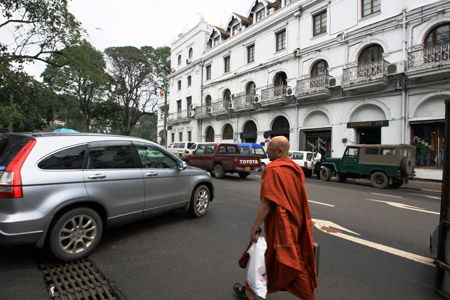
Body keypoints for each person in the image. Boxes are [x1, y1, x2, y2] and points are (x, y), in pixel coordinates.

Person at [234, 136, 318, 300]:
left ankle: (308, 296)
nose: (267, 152)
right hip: (297, 221)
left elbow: (267, 203)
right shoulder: (296, 169)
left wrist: (254, 228)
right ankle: (250, 290)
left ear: (280, 151)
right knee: (272, 257)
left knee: (290, 260)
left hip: (282, 225)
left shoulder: (272, 169)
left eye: (270, 150)